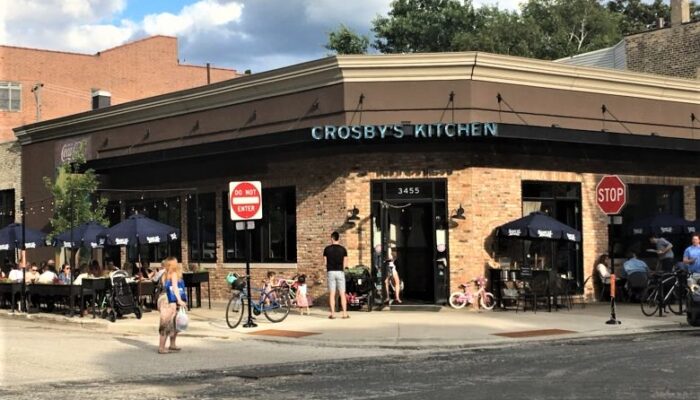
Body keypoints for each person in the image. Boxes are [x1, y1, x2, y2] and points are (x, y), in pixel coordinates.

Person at [158, 257, 187, 354]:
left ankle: (172, 344)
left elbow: (164, 287)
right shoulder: (173, 274)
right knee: (167, 323)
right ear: (172, 265)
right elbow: (174, 288)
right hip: (169, 300)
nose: (178, 264)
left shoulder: (164, 273)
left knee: (172, 323)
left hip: (163, 299)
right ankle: (162, 348)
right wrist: (179, 300)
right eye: (176, 262)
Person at [323, 231, 348, 319]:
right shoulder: (343, 249)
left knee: (332, 294)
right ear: (339, 238)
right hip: (340, 272)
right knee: (342, 293)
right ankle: (344, 314)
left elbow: (325, 262)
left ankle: (333, 314)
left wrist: (329, 267)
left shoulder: (327, 249)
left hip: (331, 272)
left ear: (332, 238)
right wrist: (342, 270)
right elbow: (345, 263)